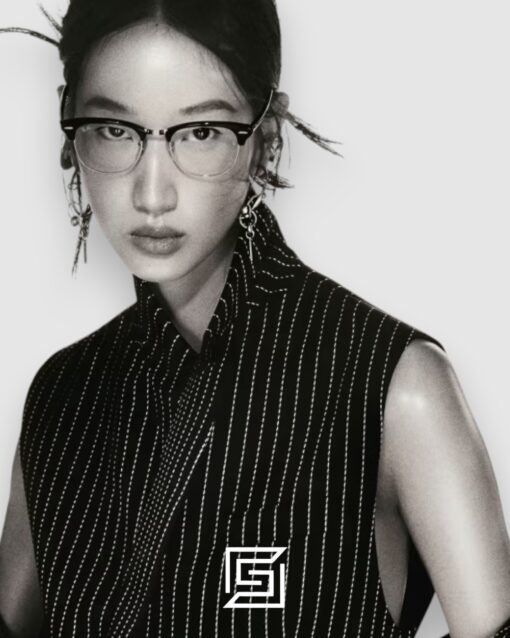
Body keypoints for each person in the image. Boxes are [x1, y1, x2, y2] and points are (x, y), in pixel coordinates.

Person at [1, 1, 510, 637]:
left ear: (266, 136)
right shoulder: (62, 397)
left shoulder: (392, 385)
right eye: (114, 129)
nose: (152, 192)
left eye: (202, 132)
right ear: (67, 126)